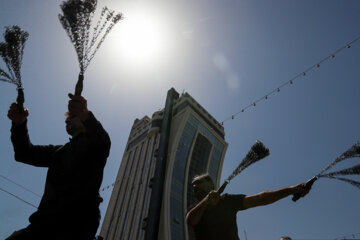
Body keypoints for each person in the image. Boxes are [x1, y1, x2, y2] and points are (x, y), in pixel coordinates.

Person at [6, 93, 111, 240]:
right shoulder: (57, 151)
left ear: (84, 120)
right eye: (67, 120)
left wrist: (85, 114)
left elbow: (102, 140)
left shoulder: (95, 145)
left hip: (77, 223)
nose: (67, 121)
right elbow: (25, 153)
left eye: (72, 117)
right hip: (43, 224)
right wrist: (19, 124)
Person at [186, 174, 312, 240]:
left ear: (210, 184)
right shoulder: (196, 208)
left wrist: (293, 189)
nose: (195, 187)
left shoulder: (228, 201)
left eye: (198, 183)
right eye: (193, 186)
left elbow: (261, 198)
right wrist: (206, 201)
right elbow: (191, 220)